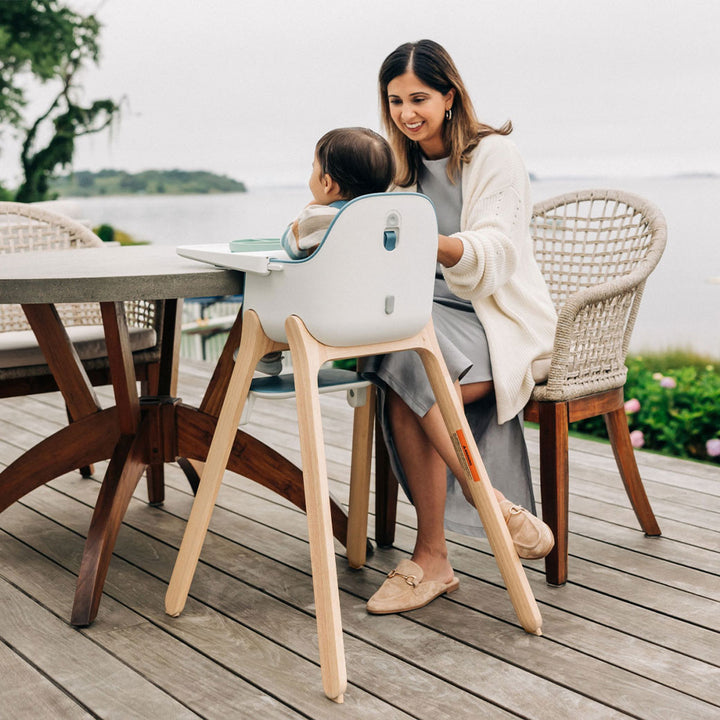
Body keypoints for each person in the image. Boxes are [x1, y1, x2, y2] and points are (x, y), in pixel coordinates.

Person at [363, 40, 558, 614]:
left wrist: (420, 238)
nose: (406, 113)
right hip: (427, 317)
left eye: (419, 98)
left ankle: (432, 558)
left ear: (449, 96)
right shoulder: (397, 168)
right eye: (395, 101)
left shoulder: (496, 156)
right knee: (402, 353)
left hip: (497, 321)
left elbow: (495, 252)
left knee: (403, 372)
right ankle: (491, 504)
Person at [256, 126, 396, 375]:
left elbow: (290, 244)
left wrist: (307, 210)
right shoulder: (386, 220)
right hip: (378, 317)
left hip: (324, 317)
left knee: (260, 287)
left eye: (314, 168)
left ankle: (267, 354)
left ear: (327, 183)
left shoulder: (317, 217)